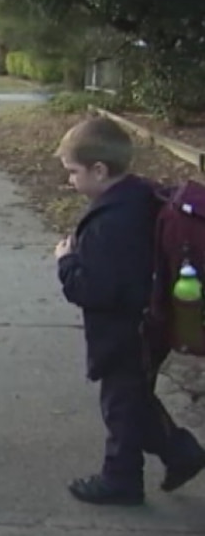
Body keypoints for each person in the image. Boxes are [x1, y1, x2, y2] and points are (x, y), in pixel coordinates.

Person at [54, 117, 205, 506]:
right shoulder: (138, 195)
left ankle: (120, 480)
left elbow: (92, 289)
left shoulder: (111, 222)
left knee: (121, 406)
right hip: (147, 323)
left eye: (73, 172)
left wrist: (66, 261)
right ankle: (180, 453)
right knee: (133, 398)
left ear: (99, 170)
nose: (70, 181)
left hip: (126, 331)